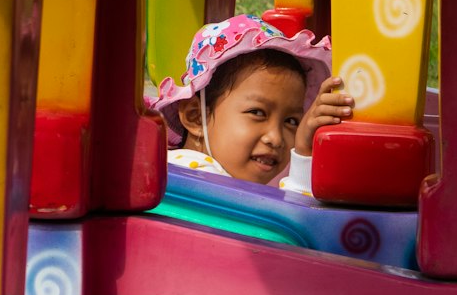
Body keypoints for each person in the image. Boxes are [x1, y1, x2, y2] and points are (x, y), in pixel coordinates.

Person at [151, 14, 352, 192]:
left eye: (291, 121)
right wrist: (303, 155)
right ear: (195, 116)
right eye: (257, 112)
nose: (275, 138)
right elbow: (282, 226)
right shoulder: (189, 175)